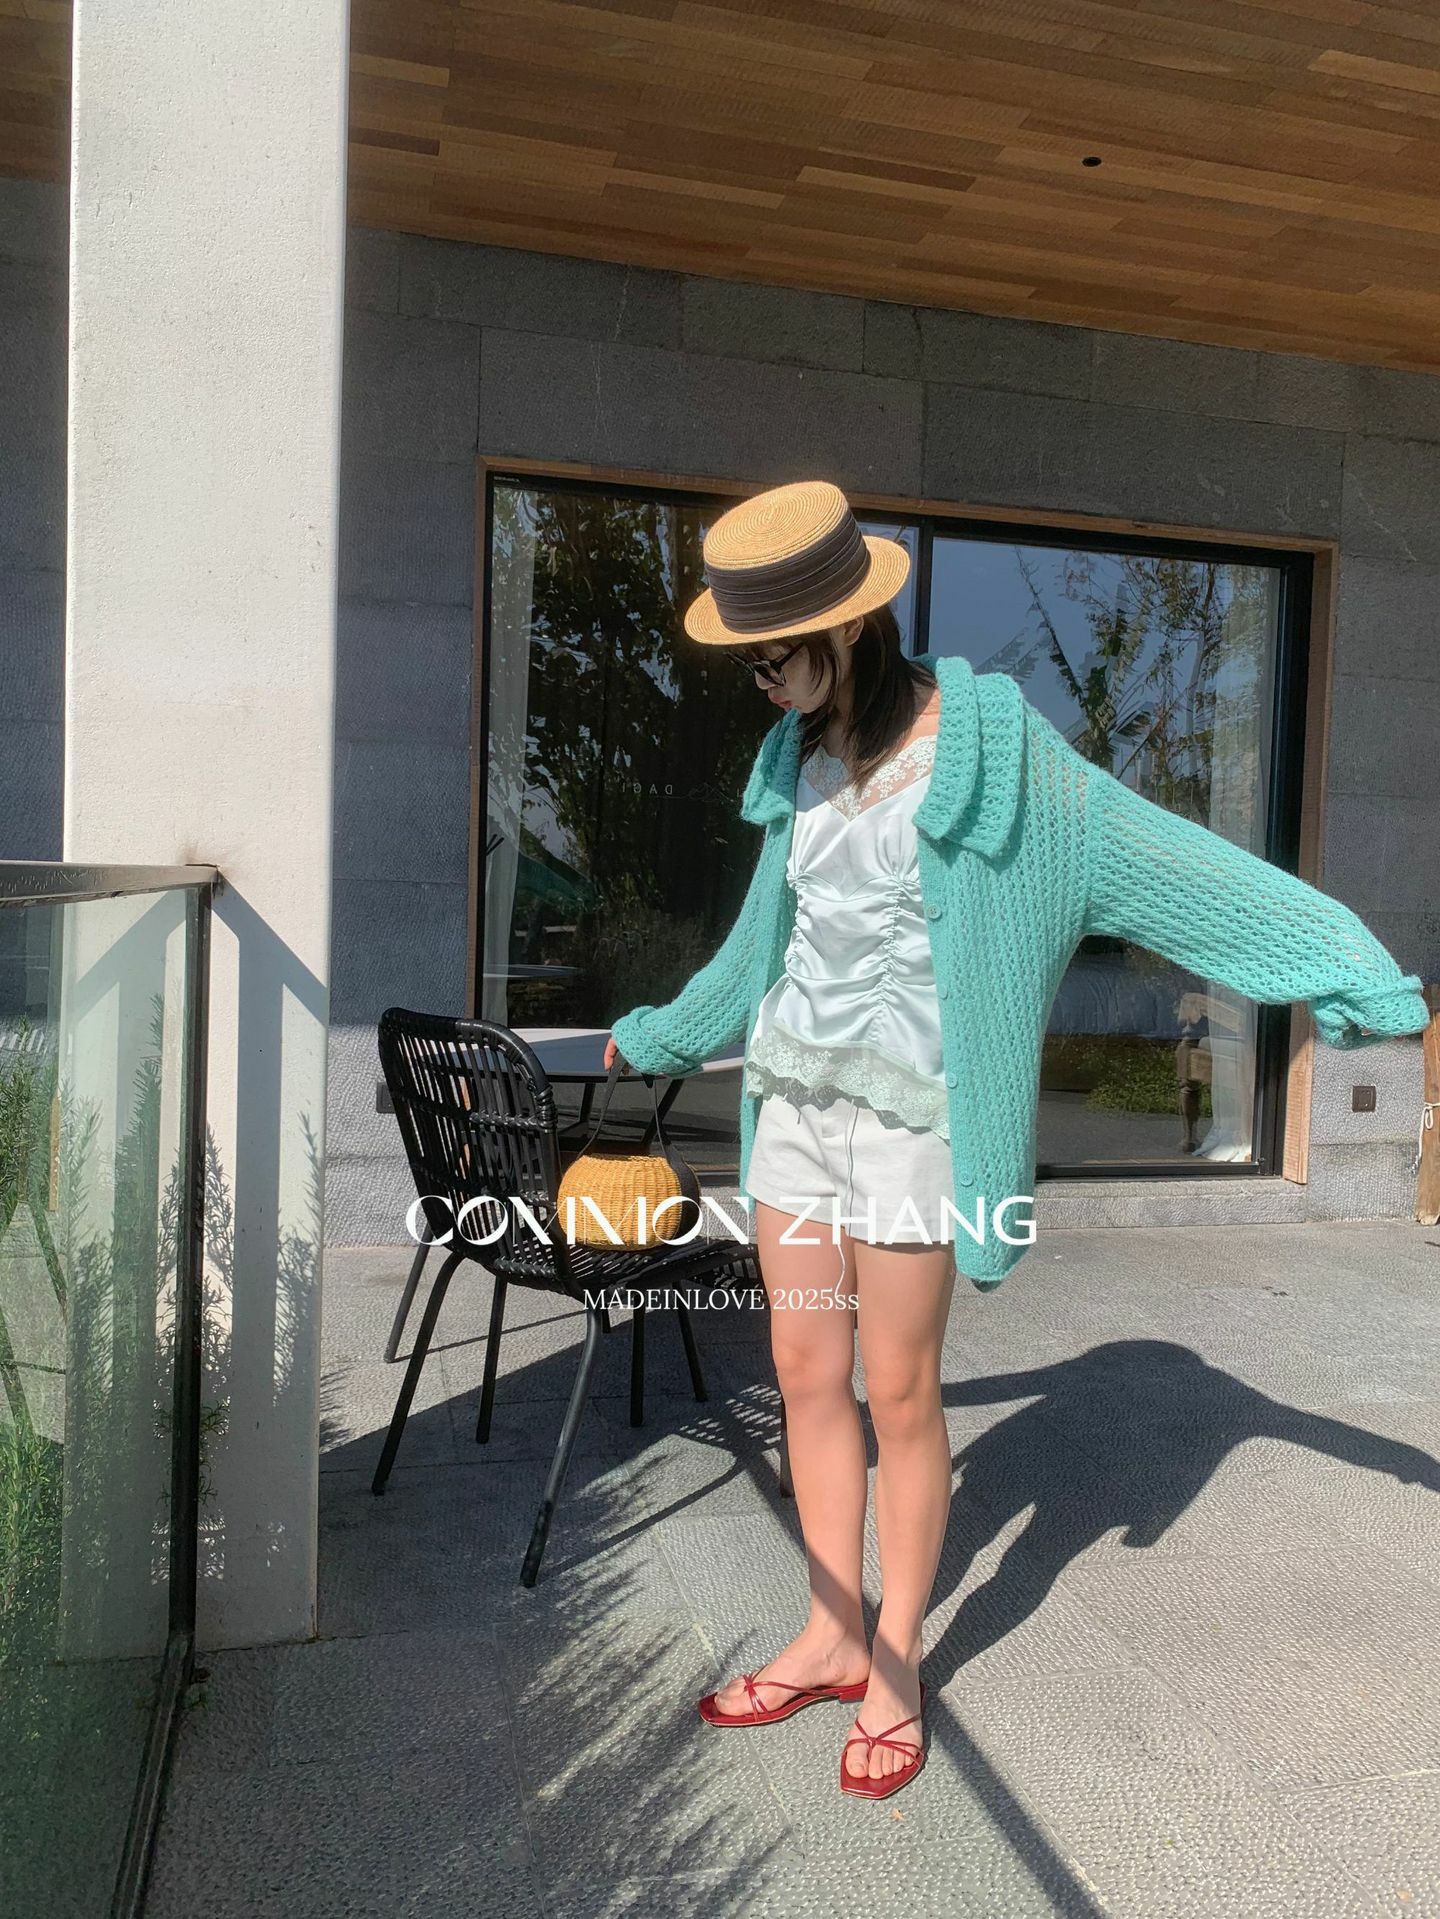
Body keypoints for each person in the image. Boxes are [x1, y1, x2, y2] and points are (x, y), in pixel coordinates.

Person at [603, 479, 1430, 1801]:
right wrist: (658, 1032)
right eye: (747, 663)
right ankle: (827, 1628)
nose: (761, 684)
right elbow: (765, 949)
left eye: (774, 657)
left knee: (899, 1391)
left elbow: (1177, 867)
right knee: (805, 1371)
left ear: (849, 627)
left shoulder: (1003, 758)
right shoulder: (793, 758)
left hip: (917, 1130)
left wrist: (1355, 973)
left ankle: (893, 1666)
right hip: (796, 1117)